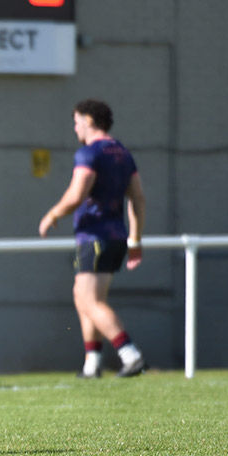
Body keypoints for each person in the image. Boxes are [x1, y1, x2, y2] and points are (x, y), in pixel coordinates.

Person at [39, 98, 147, 378]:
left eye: (76, 122)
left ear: (89, 120)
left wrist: (52, 214)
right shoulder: (122, 152)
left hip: (95, 236)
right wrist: (135, 239)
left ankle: (130, 355)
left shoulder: (90, 153)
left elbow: (77, 195)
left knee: (90, 301)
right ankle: (92, 363)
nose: (75, 128)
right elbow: (137, 199)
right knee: (83, 296)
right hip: (116, 236)